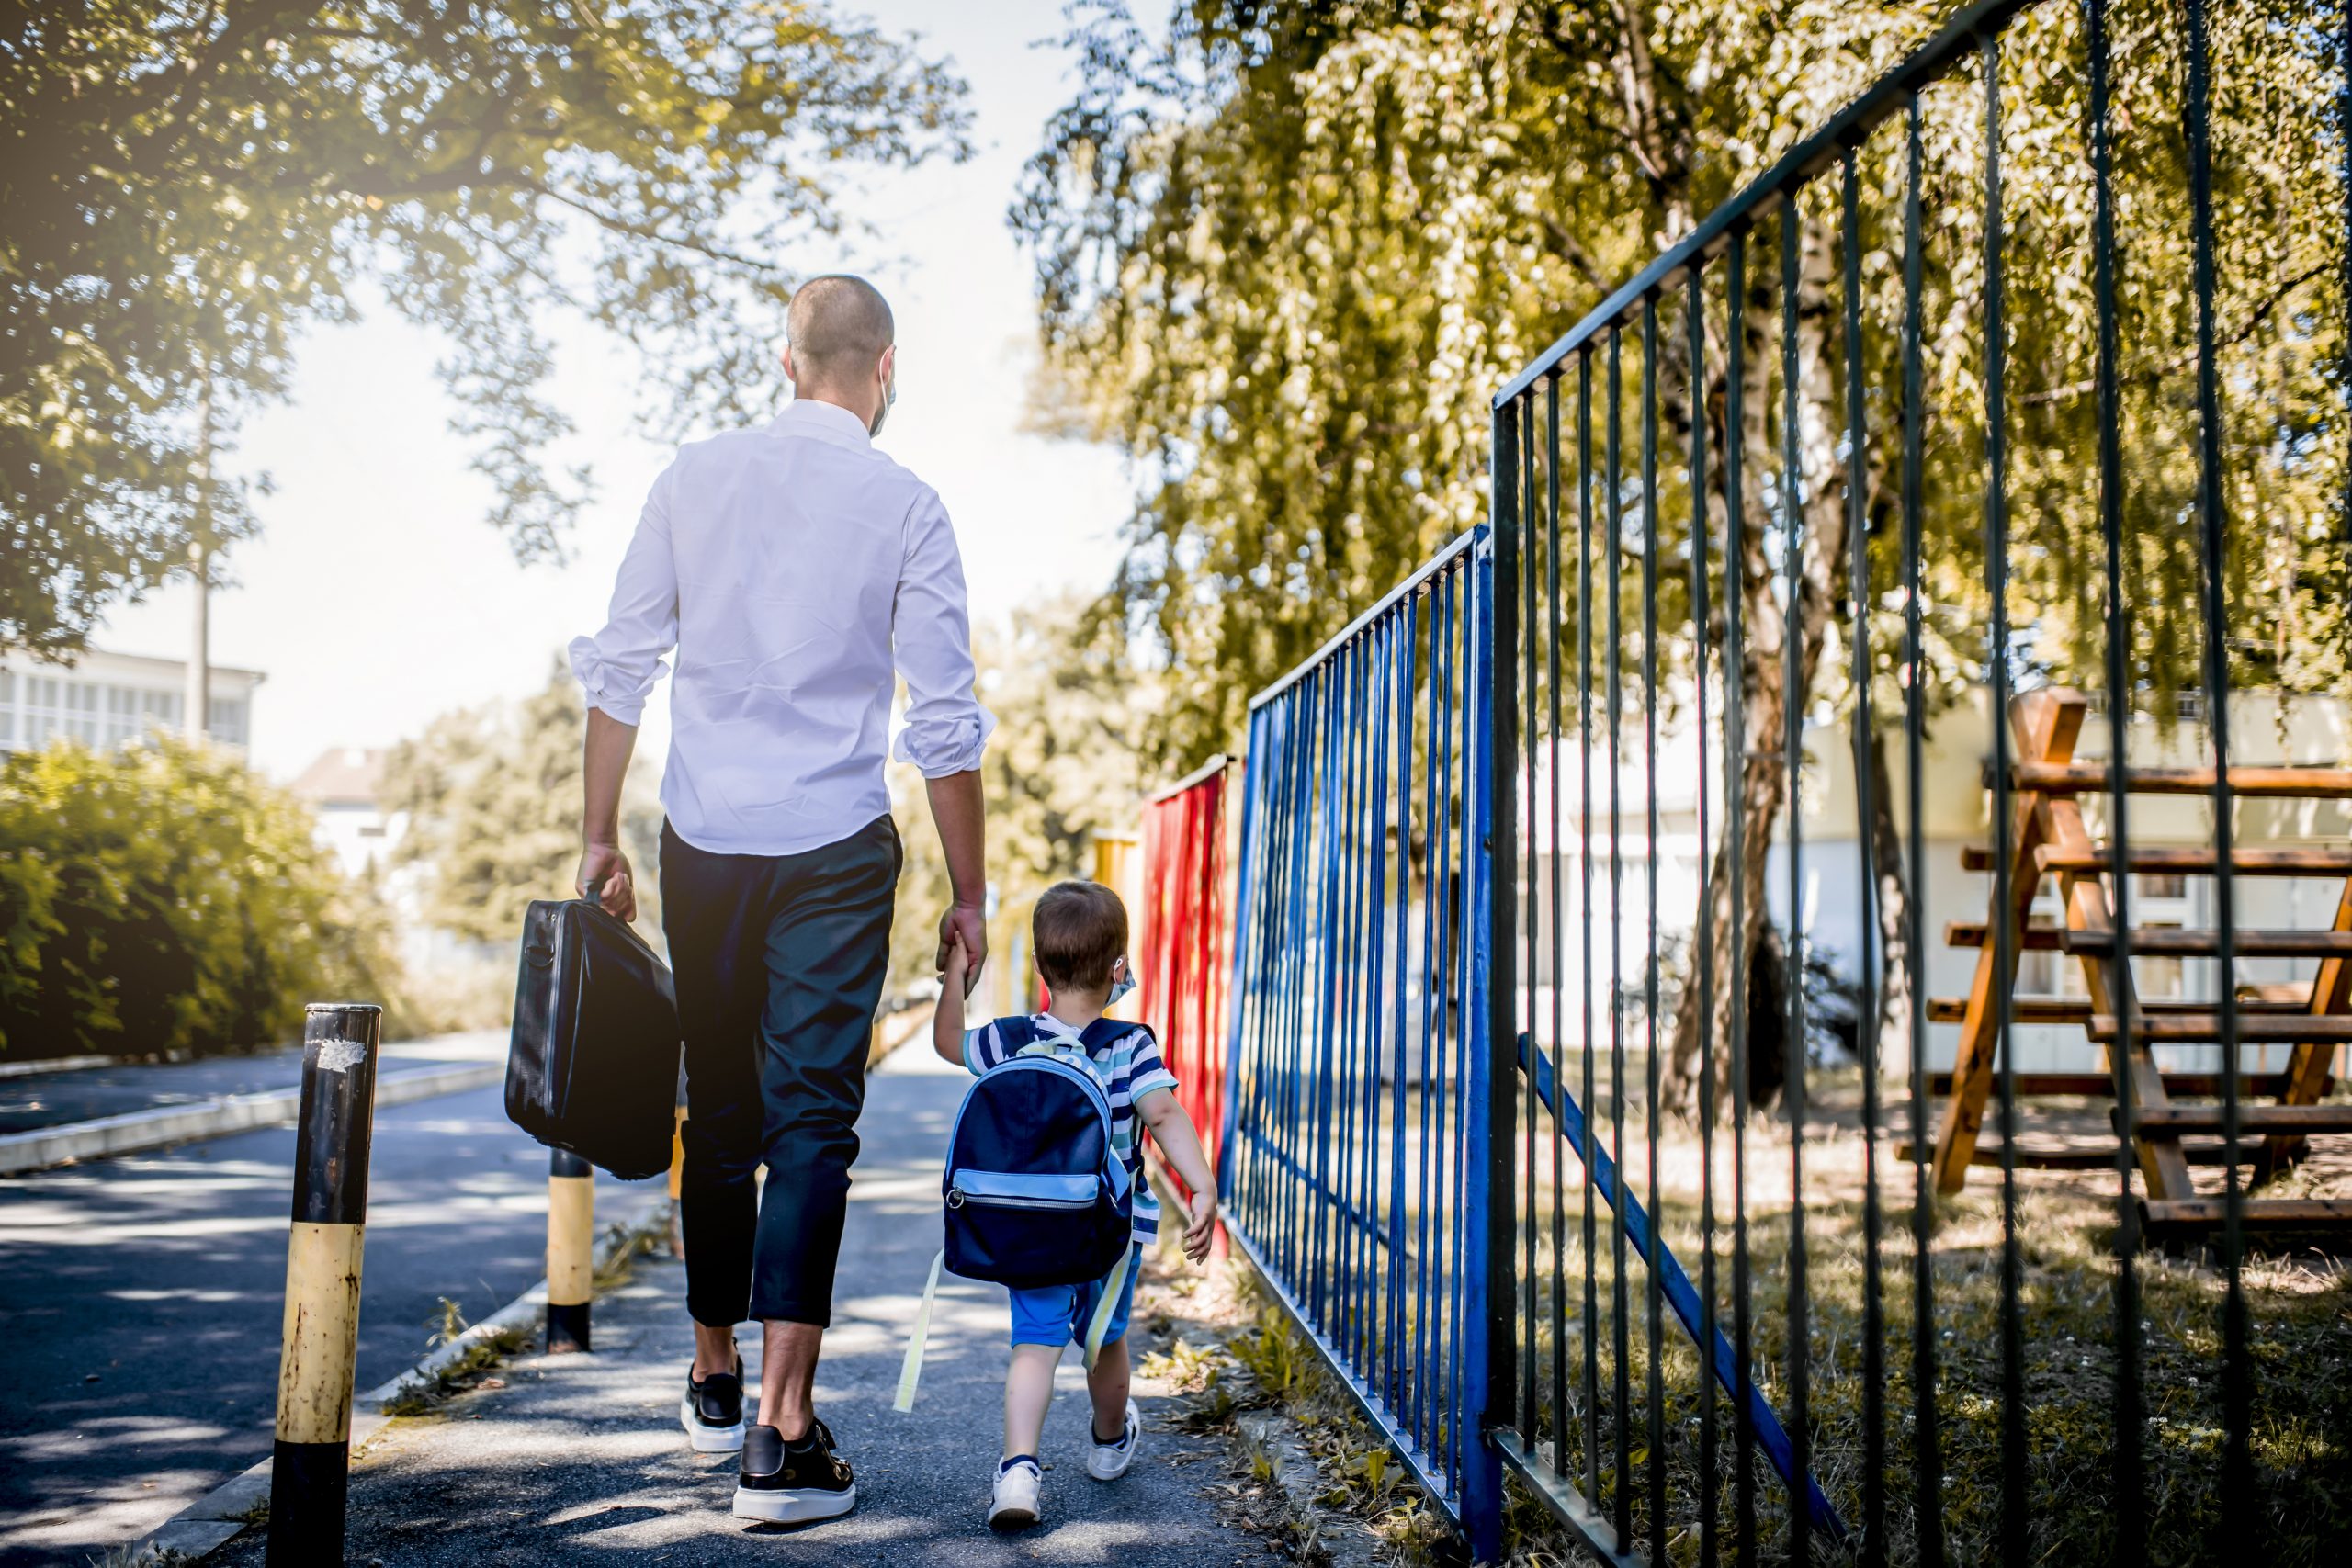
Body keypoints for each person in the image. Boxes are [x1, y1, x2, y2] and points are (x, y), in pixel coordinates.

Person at [569, 274, 992, 1526]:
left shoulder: (691, 476)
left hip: (702, 837)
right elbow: (946, 723)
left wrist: (598, 832)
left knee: (722, 1103)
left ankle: (713, 1373)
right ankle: (780, 1432)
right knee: (813, 1119)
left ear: (788, 359)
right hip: (832, 844)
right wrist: (973, 894)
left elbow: (620, 664)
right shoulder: (907, 501)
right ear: (886, 366)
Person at [930, 879, 1218, 1531]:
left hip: (1029, 1227)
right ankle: (1109, 1441)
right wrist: (1201, 1185)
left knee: (1034, 1344)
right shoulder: (1130, 1044)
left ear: (1040, 966)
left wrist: (956, 970)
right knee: (1103, 1341)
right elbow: (1165, 1113)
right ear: (1119, 968)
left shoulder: (1007, 1039)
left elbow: (949, 1041)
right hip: (1110, 1234)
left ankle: (1019, 1472)